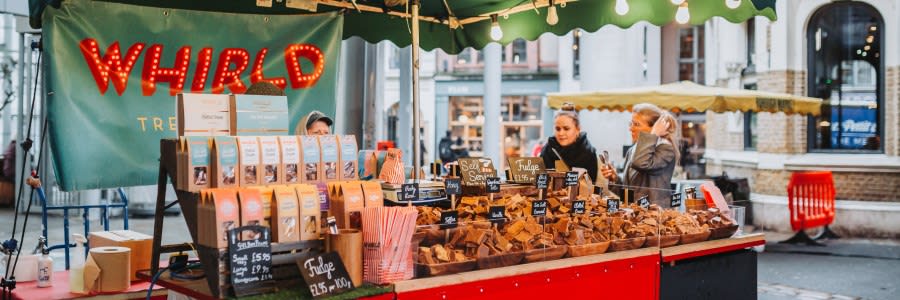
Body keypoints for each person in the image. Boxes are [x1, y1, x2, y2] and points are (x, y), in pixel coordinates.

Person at [602, 103, 679, 206]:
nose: (631, 128)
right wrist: (615, 179)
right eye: (631, 123)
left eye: (636, 124)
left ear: (655, 128)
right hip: (634, 215)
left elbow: (641, 163)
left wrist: (653, 134)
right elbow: (628, 192)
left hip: (654, 216)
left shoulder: (666, 149)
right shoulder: (633, 150)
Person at [540, 103, 598, 181]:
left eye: (566, 128)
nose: (561, 133)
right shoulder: (548, 149)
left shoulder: (588, 152)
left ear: (578, 129)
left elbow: (592, 183)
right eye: (557, 129)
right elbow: (540, 180)